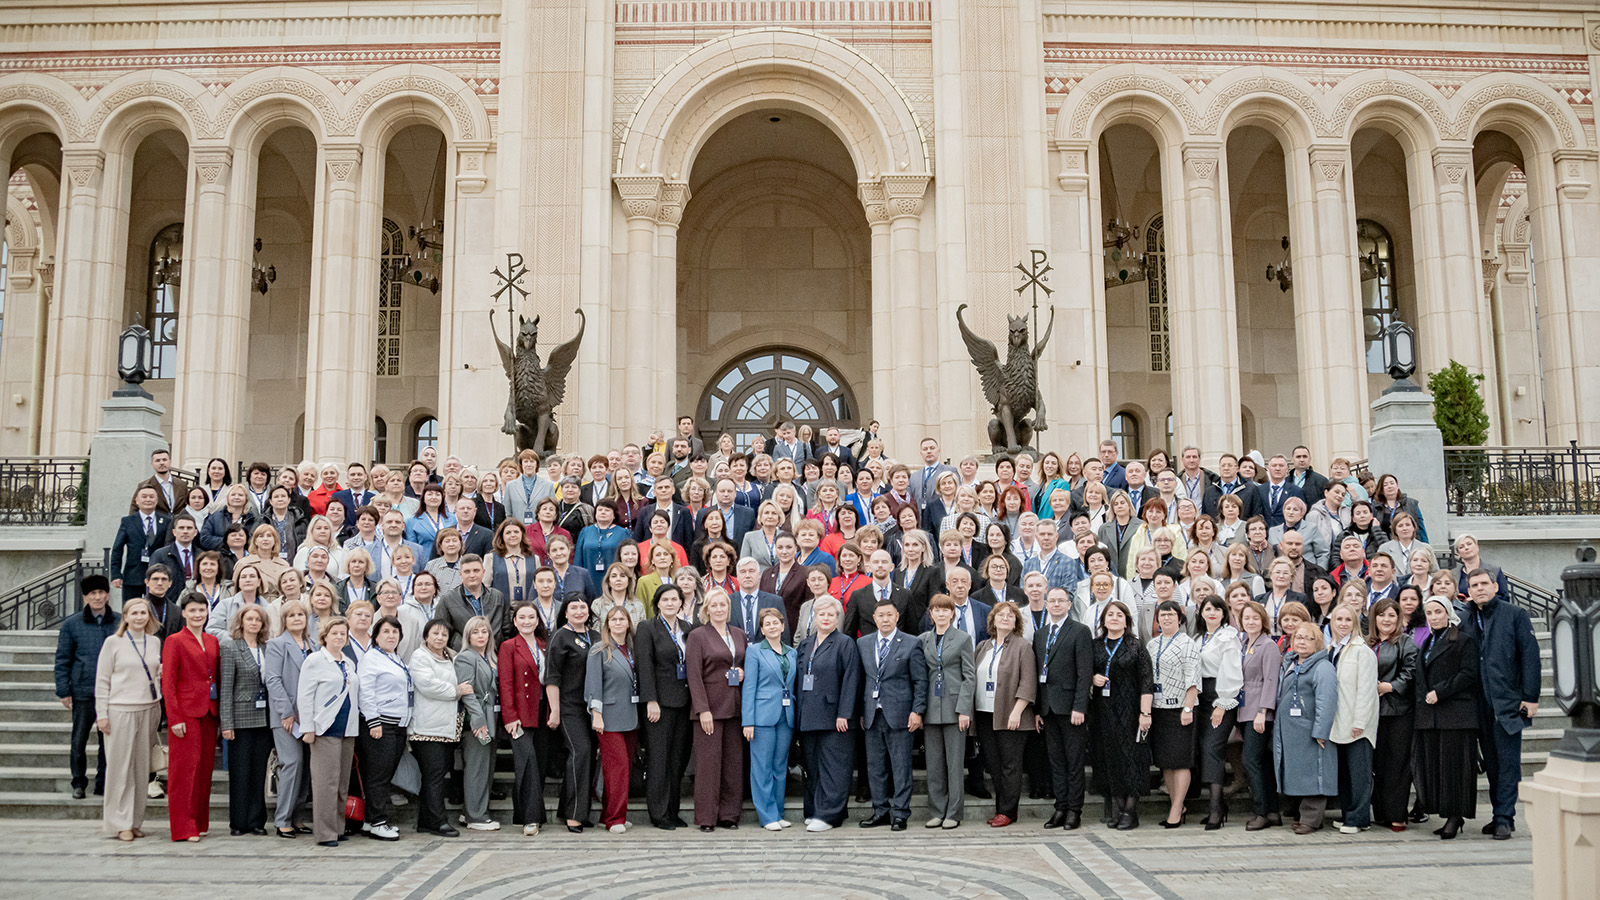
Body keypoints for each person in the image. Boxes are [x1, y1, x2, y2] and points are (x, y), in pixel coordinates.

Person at [1458, 566, 1539, 840]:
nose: (1479, 588)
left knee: (1508, 763)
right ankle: (1498, 814)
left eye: (1484, 583)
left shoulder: (1515, 615)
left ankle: (1505, 817)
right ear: (1468, 592)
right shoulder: (1466, 619)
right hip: (1478, 704)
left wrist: (1531, 697)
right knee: (1491, 763)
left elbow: (1530, 657)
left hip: (1508, 702)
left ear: (1495, 587)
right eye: (1474, 585)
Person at [856, 598, 928, 831]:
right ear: (874, 618)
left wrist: (917, 711)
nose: (885, 619)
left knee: (901, 766)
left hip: (900, 715)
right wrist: (860, 711)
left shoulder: (911, 643)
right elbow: (860, 681)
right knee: (875, 767)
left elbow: (920, 680)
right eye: (881, 615)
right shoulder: (863, 643)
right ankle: (880, 811)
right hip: (871, 714)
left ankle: (900, 813)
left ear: (897, 617)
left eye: (889, 615)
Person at [93, 597, 162, 841]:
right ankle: (119, 822)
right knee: (120, 768)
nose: (139, 617)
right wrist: (102, 714)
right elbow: (102, 680)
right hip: (120, 709)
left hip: (149, 709)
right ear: (125, 616)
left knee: (141, 769)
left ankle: (134, 821)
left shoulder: (154, 642)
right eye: (134, 613)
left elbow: (155, 674)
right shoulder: (114, 642)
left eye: (143, 613)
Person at [1415, 596, 1481, 839]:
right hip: (1433, 716)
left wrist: (1440, 692)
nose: (1434, 616)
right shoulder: (1429, 640)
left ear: (1448, 613)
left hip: (1456, 715)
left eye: (1438, 612)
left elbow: (1469, 673)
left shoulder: (1463, 640)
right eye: (1429, 613)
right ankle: (1448, 814)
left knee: (1455, 768)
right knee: (1440, 768)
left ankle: (1455, 816)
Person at [971, 601, 1036, 828]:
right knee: (994, 764)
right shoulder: (983, 646)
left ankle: (1007, 811)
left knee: (1010, 765)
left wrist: (1017, 711)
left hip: (1011, 715)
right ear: (993, 620)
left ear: (1016, 621)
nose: (1005, 618)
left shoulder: (1023, 646)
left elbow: (1028, 683)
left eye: (1011, 615)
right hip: (985, 714)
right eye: (1001, 614)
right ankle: (1003, 809)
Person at [686, 589, 747, 831]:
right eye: (715, 605)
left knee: (733, 764)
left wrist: (743, 673)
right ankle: (707, 817)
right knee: (708, 765)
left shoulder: (739, 634)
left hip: (735, 706)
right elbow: (693, 675)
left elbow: (744, 663)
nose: (719, 609)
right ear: (707, 609)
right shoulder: (698, 636)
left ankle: (729, 816)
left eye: (723, 605)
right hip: (710, 708)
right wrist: (703, 710)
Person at [295, 616, 359, 848]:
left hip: (347, 729)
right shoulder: (315, 660)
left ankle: (338, 827)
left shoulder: (349, 662)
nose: (339, 637)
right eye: (335, 633)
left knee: (342, 783)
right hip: (325, 730)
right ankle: (325, 833)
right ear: (325, 636)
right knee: (326, 784)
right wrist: (308, 728)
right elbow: (305, 696)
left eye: (343, 633)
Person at [161, 592, 220, 842]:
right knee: (184, 771)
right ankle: (183, 827)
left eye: (202, 610)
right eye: (193, 611)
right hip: (185, 713)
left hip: (208, 712)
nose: (198, 615)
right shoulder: (175, 640)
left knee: (205, 769)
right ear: (183, 613)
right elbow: (168, 682)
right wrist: (174, 718)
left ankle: (199, 821)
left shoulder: (212, 640)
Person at [1090, 601, 1153, 830]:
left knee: (1132, 760)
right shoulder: (1095, 645)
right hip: (1103, 712)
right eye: (1110, 615)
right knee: (1108, 760)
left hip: (1131, 712)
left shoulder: (1136, 646)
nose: (1114, 618)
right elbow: (1083, 671)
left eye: (1119, 615)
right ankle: (1118, 808)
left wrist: (1145, 714)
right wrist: (1092, 678)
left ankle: (1130, 811)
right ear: (1103, 620)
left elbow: (1147, 682)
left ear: (1126, 621)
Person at [55, 574, 118, 801]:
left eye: (101, 593)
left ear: (108, 595)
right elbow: (63, 658)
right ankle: (79, 782)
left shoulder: (119, 621)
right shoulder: (72, 624)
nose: (98, 597)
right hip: (83, 690)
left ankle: (103, 783)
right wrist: (63, 689)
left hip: (113, 692)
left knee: (107, 741)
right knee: (79, 740)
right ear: (85, 598)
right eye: (92, 594)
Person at [635, 584, 693, 830]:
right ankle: (658, 813)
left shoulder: (689, 629)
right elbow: (644, 667)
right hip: (659, 704)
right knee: (659, 759)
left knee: (677, 760)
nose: (670, 603)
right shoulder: (647, 628)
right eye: (665, 599)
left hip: (684, 703)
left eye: (675, 599)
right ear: (657, 603)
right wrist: (651, 700)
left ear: (681, 603)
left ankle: (673, 810)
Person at [1273, 622, 1340, 834]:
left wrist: (1321, 731)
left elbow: (1326, 701)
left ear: (1318, 643)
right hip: (1293, 732)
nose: (1301, 642)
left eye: (1308, 638)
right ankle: (1307, 817)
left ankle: (1311, 820)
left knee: (1315, 774)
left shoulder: (1323, 667)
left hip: (1311, 732)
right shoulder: (1291, 662)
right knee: (1301, 773)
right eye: (1298, 637)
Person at [917, 593, 975, 830]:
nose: (941, 614)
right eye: (936, 610)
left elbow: (969, 677)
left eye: (945, 610)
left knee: (953, 763)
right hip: (931, 707)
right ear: (931, 614)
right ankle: (937, 810)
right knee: (934, 763)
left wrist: (964, 710)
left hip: (954, 708)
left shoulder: (962, 639)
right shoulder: (923, 639)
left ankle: (954, 811)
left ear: (952, 613)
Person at [583, 605, 638, 835]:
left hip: (631, 717)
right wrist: (596, 714)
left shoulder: (634, 649)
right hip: (608, 718)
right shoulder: (599, 650)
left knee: (623, 768)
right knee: (618, 769)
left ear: (628, 623)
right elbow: (592, 685)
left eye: (622, 619)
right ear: (607, 624)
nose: (618, 623)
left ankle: (609, 814)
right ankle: (615, 818)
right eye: (613, 619)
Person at [409, 619, 467, 837]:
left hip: (448, 726)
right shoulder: (420, 656)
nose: (440, 638)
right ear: (426, 636)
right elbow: (428, 685)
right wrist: (457, 690)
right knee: (434, 776)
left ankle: (425, 821)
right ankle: (438, 822)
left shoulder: (450, 655)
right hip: (428, 727)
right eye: (435, 633)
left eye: (444, 634)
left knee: (437, 774)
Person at [219, 605, 273, 836]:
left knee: (259, 771)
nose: (253, 623)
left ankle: (257, 821)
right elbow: (226, 687)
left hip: (264, 717)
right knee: (240, 772)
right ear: (241, 622)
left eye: (257, 620)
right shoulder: (231, 648)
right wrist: (227, 723)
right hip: (240, 717)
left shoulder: (267, 648)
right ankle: (239, 822)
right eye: (249, 619)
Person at [742, 608, 798, 831]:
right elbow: (749, 687)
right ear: (762, 630)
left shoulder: (791, 653)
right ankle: (766, 815)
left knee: (779, 766)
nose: (772, 627)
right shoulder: (755, 651)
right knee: (762, 767)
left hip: (786, 715)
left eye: (776, 623)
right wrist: (748, 721)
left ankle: (778, 812)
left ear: (783, 626)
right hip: (762, 715)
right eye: (767, 624)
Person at [1145, 600, 1199, 827]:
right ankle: (1175, 803)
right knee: (1165, 761)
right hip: (1158, 709)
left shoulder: (1188, 644)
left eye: (1171, 615)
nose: (1166, 618)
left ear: (1180, 618)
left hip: (1179, 709)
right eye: (1162, 615)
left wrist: (1188, 708)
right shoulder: (1152, 644)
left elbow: (1193, 679)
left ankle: (1178, 807)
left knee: (1180, 761)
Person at [356, 615, 410, 842]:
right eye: (386, 631)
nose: (391, 635)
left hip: (398, 725)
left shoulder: (395, 658)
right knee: (379, 775)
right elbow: (365, 691)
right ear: (376, 636)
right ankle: (379, 821)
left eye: (395, 632)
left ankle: (371, 820)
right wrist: (373, 721)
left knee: (384, 774)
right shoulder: (372, 658)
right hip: (381, 725)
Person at [1368, 597, 1419, 832]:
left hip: (1398, 710)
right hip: (1372, 712)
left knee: (1397, 765)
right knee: (1377, 763)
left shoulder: (1405, 642)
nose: (1386, 620)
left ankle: (1398, 814)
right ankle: (1381, 812)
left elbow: (1412, 671)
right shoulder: (1367, 643)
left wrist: (1391, 687)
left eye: (1391, 615)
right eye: (1381, 615)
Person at [1191, 595, 1243, 829]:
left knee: (1212, 748)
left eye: (1216, 609)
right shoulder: (1198, 637)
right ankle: (1219, 806)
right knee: (1204, 750)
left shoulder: (1228, 637)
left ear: (1224, 613)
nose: (1211, 612)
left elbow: (1231, 671)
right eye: (1207, 608)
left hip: (1220, 695)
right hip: (1199, 697)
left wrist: (1223, 703)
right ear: (1201, 612)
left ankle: (1214, 810)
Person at [546, 598, 596, 832]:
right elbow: (552, 677)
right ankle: (574, 815)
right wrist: (555, 710)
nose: (579, 611)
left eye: (582, 607)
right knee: (581, 751)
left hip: (592, 707)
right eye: (573, 607)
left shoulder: (595, 636)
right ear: (565, 612)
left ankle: (571, 809)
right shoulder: (560, 637)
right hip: (568, 707)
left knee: (588, 757)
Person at [1235, 600, 1283, 830]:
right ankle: (1272, 811)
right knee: (1262, 762)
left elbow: (1271, 680)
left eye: (1255, 618)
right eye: (1246, 618)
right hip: (1244, 710)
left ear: (1263, 620)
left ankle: (1261, 811)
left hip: (1258, 712)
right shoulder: (1244, 643)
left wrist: (1263, 711)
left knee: (1250, 760)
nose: (1250, 622)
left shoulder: (1268, 646)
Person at [112, 486, 173, 598]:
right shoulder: (128, 521)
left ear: (157, 500)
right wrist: (116, 574)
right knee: (131, 609)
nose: (148, 500)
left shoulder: (166, 521)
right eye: (144, 497)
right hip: (133, 576)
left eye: (151, 496)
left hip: (158, 576)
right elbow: (117, 548)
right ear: (137, 500)